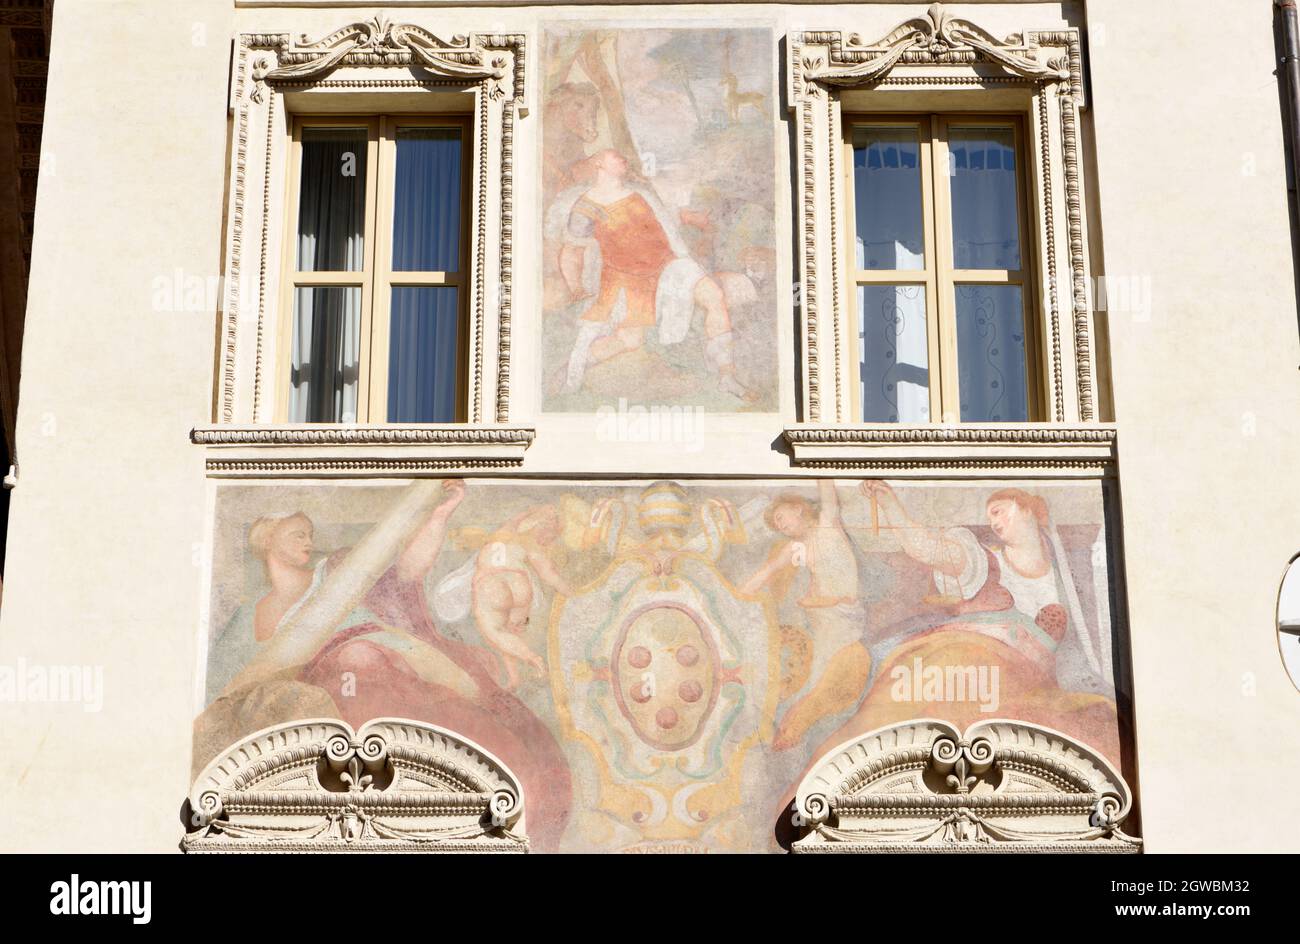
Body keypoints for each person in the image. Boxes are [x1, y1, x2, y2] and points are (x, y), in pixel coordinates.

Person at [196, 480, 574, 851]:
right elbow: (226, 685)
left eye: (309, 533)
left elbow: (406, 573)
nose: (307, 541)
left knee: (361, 661)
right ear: (266, 539)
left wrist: (439, 516)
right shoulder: (250, 616)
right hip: (320, 698)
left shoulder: (341, 570)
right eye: (297, 533)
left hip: (388, 659)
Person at [557, 149, 757, 402]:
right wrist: (575, 286)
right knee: (629, 340)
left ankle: (726, 376)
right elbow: (572, 249)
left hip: (670, 266)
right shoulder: (586, 206)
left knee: (713, 295)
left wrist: (691, 219)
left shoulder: (640, 193)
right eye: (615, 157)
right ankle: (575, 366)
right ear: (599, 163)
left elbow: (665, 218)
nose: (623, 159)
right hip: (628, 280)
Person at [741, 480, 871, 750]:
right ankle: (796, 734)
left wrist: (820, 450)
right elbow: (767, 572)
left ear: (798, 508)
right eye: (776, 524)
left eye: (780, 517)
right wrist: (737, 596)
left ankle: (804, 733)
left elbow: (827, 488)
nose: (780, 525)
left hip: (844, 615)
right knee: (817, 680)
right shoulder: (794, 548)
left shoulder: (828, 524)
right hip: (824, 620)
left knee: (830, 680)